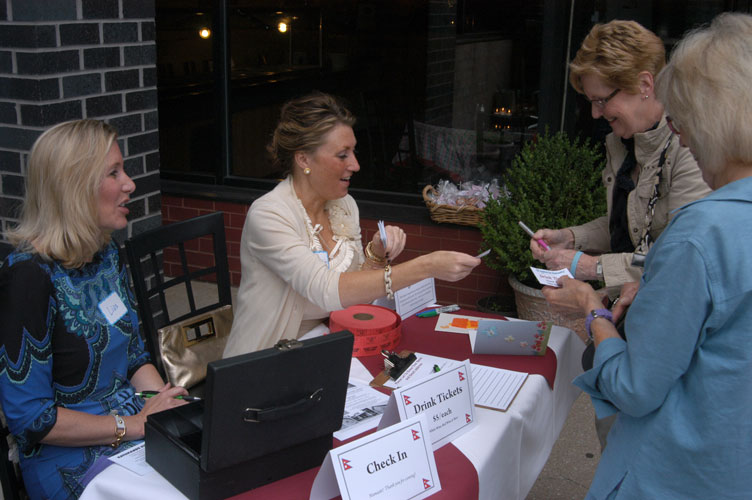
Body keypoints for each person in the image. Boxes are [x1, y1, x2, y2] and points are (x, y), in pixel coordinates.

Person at [542, 12, 752, 498]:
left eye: (685, 119)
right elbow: (629, 227)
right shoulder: (626, 148)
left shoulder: (700, 233)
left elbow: (635, 387)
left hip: (672, 471)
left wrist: (592, 307)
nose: (683, 135)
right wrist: (573, 237)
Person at [0, 119, 188, 499]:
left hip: (132, 431)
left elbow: (134, 357)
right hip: (67, 460)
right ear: (75, 188)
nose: (129, 184)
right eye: (113, 173)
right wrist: (134, 425)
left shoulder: (105, 254)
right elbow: (32, 419)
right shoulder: (28, 277)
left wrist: (167, 408)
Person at [224, 92, 480, 357]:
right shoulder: (269, 215)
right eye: (342, 155)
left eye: (353, 152)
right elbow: (325, 289)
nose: (356, 165)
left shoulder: (344, 205)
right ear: (304, 160)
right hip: (267, 357)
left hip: (327, 344)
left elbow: (356, 295)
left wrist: (377, 253)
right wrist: (426, 267)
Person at [530, 20, 709, 288]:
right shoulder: (622, 142)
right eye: (591, 101)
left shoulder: (691, 149)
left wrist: (590, 266)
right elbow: (629, 225)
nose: (595, 113)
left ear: (644, 84)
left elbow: (678, 259)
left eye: (602, 100)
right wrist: (570, 237)